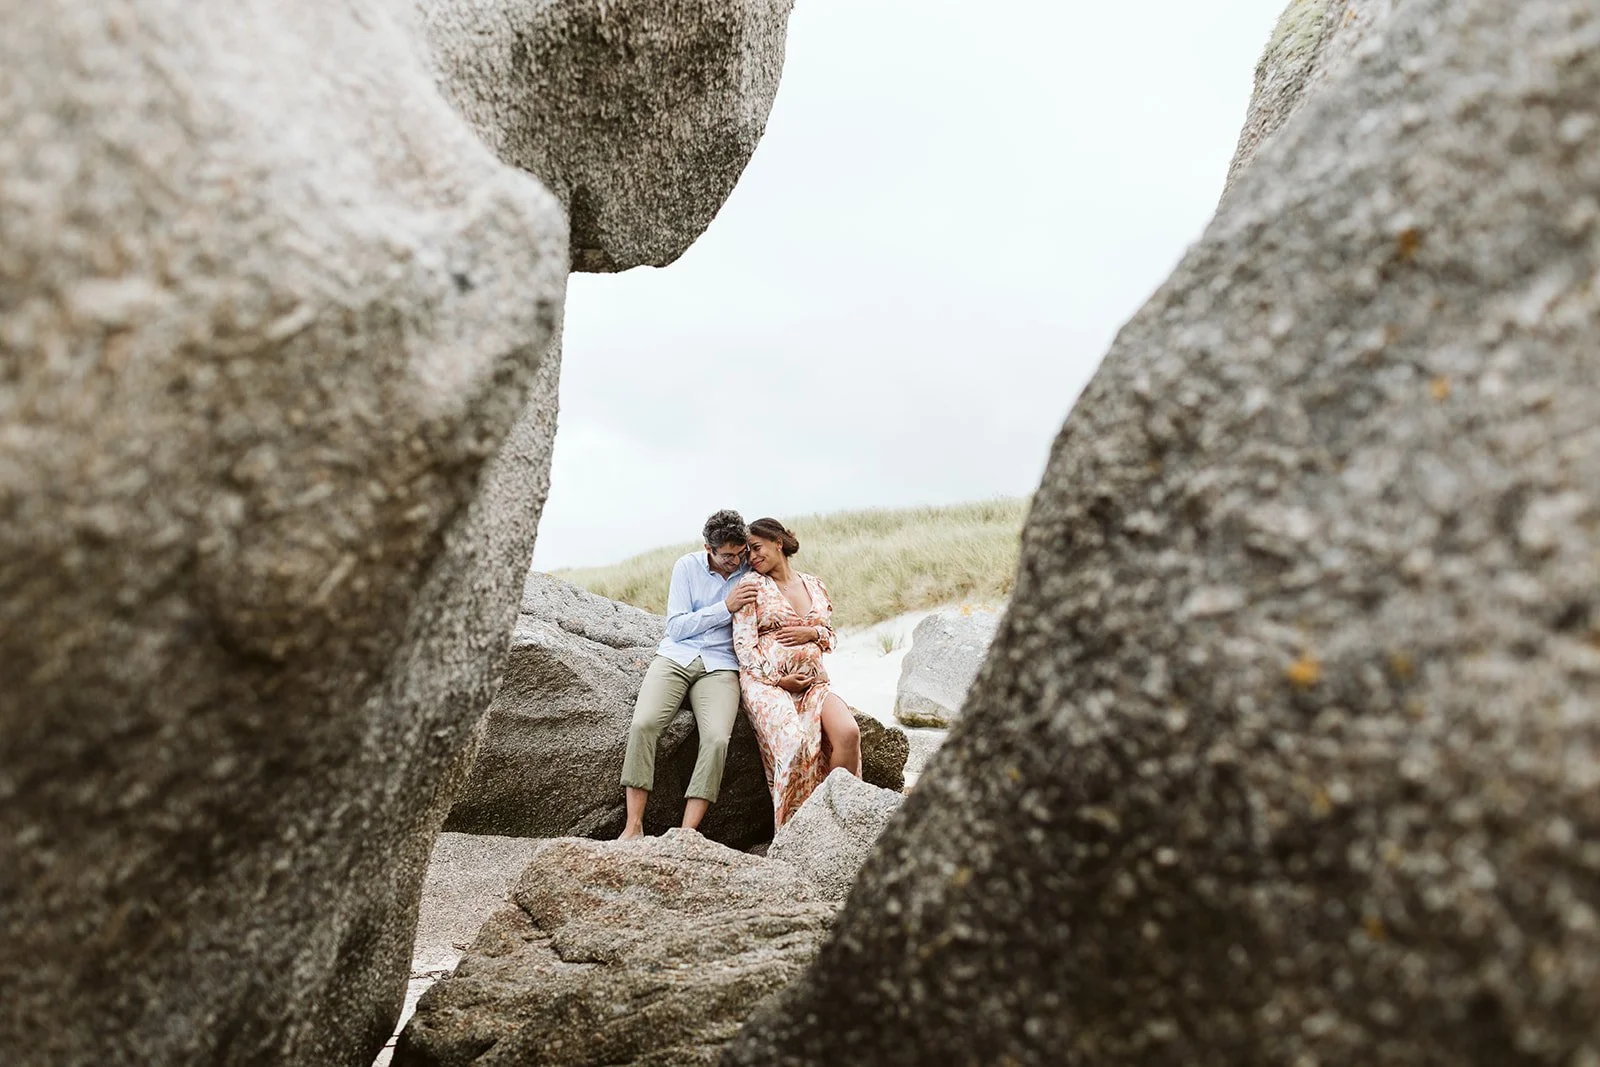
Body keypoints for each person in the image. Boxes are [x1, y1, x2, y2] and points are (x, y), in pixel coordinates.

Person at [617, 509, 758, 839]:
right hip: (675, 656)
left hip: (721, 665)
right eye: (727, 555)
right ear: (708, 547)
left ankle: (684, 834)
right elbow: (677, 627)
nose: (735, 561)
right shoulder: (686, 567)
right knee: (644, 724)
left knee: (717, 739)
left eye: (740, 554)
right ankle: (632, 826)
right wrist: (725, 606)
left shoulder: (750, 568)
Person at [732, 517, 861, 827]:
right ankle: (799, 827)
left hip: (813, 682)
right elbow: (744, 646)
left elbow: (830, 636)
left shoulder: (814, 585)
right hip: (767, 683)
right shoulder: (751, 586)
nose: (752, 557)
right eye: (747, 552)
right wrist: (779, 679)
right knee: (795, 745)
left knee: (848, 733)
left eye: (757, 547)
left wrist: (811, 634)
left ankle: (837, 814)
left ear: (778, 541)